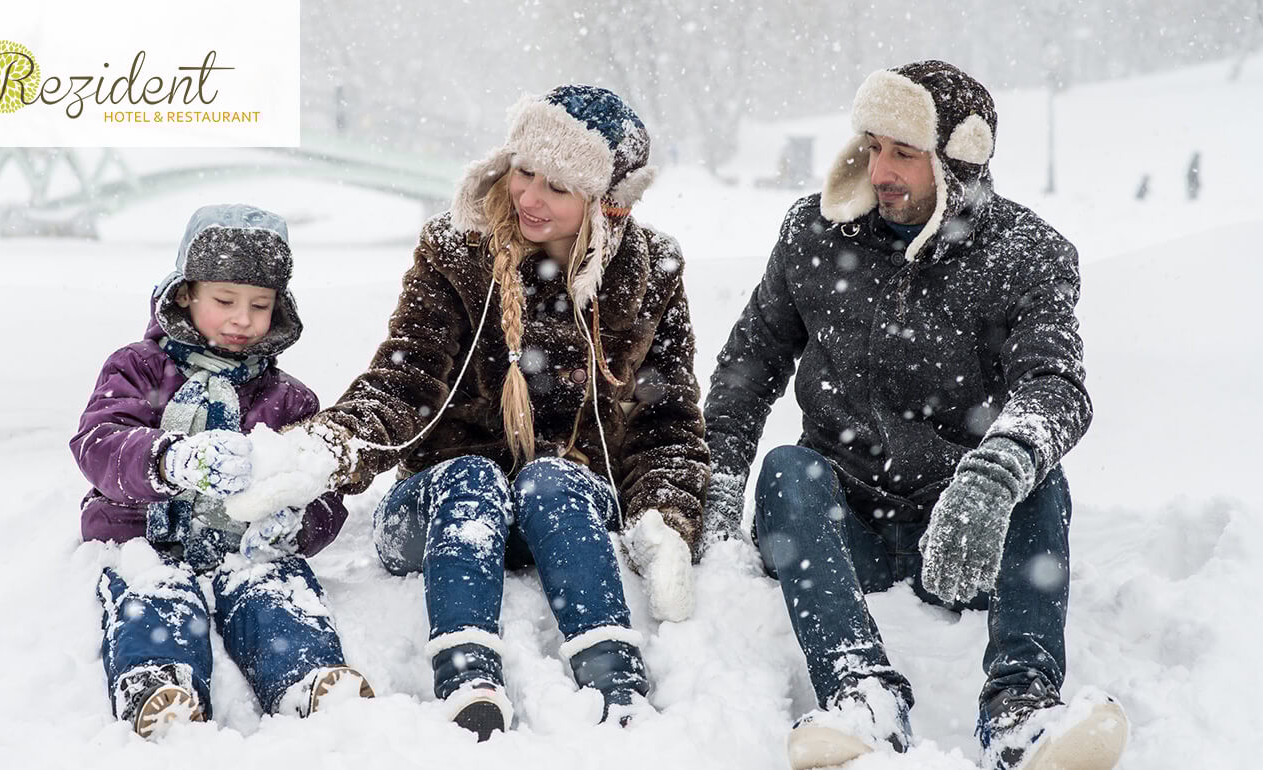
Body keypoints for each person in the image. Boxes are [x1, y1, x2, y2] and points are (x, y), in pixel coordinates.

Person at [702, 61, 1128, 770]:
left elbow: (1056, 385)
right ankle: (860, 693)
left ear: (958, 161)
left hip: (965, 534)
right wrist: (715, 487)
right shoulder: (814, 234)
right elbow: (749, 367)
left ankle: (1021, 711)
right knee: (786, 469)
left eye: (904, 152)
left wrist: (992, 477)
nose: (880, 170)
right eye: (872, 146)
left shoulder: (1027, 255)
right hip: (840, 530)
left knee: (1036, 475)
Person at [260, 85, 708, 740]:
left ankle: (614, 675)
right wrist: (327, 448)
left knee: (550, 479)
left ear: (603, 204)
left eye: (556, 186)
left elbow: (666, 425)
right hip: (441, 510)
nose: (528, 196)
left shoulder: (651, 272)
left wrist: (667, 521)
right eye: (524, 170)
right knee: (473, 477)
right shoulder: (455, 250)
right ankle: (468, 674)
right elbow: (403, 382)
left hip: (565, 514)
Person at [71, 203, 373, 739]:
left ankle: (306, 676)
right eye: (225, 300)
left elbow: (322, 489)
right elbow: (99, 443)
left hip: (245, 547)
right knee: (155, 592)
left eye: (260, 305)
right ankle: (158, 681)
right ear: (186, 293)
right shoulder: (138, 368)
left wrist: (297, 522)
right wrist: (169, 459)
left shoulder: (289, 399)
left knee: (276, 591)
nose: (242, 319)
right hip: (143, 536)